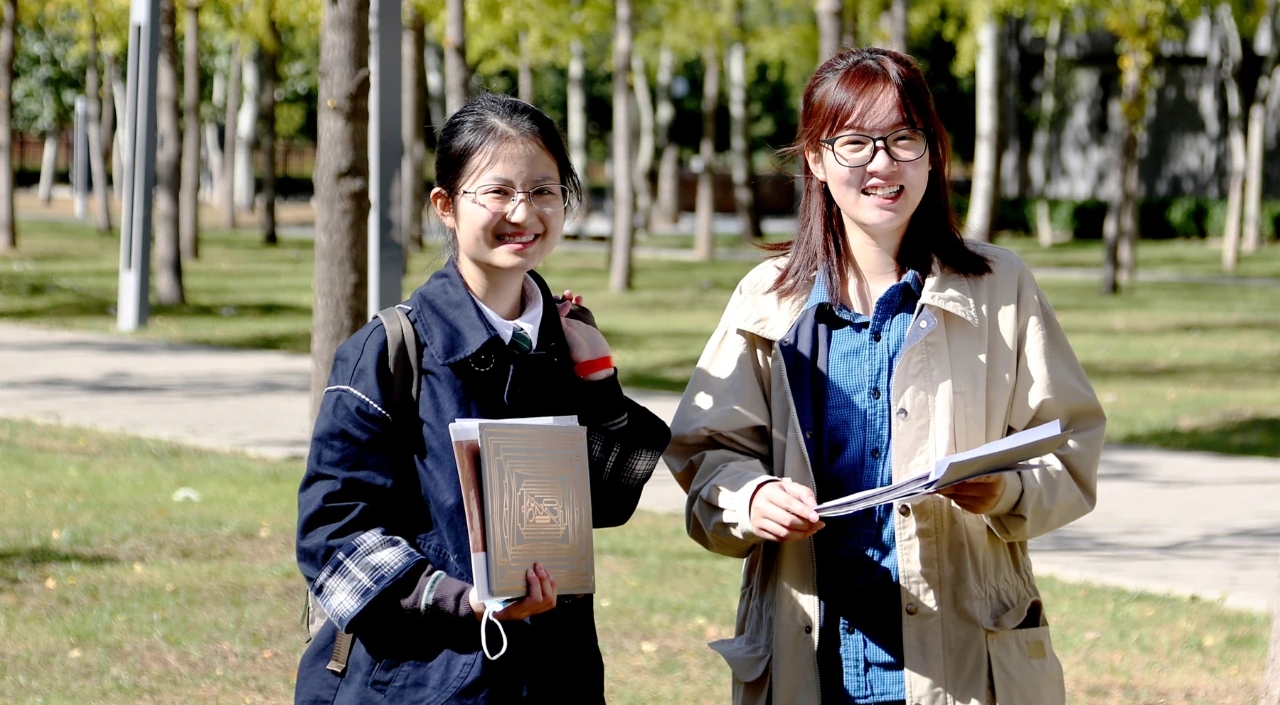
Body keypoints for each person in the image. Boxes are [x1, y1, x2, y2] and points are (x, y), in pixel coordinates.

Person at [664, 48, 1105, 705]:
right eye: (854, 142)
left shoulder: (1001, 287)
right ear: (816, 160)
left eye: (903, 138)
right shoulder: (765, 299)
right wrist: (751, 498)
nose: (882, 163)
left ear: (932, 152)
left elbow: (1069, 448)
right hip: (809, 666)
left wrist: (1006, 489)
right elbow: (705, 454)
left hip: (967, 668)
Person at [296, 93, 671, 704]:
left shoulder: (566, 340)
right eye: (497, 192)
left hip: (555, 680)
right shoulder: (390, 350)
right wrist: (462, 600)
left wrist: (599, 378)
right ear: (445, 206)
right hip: (424, 681)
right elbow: (331, 535)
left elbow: (607, 503)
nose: (523, 212)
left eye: (544, 191)